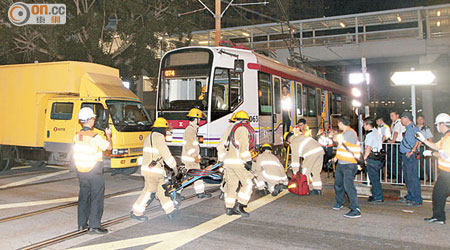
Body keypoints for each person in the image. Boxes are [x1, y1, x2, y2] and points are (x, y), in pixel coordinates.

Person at [73, 107, 112, 234]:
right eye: (93, 118)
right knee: (96, 197)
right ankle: (94, 226)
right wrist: (108, 135)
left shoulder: (77, 136)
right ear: (90, 120)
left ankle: (82, 224)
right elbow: (109, 147)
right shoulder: (94, 136)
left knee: (84, 197)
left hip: (81, 171)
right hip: (94, 171)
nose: (94, 120)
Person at [130, 117, 178, 221]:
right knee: (148, 192)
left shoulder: (149, 137)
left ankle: (170, 210)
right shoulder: (158, 137)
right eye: (165, 129)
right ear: (162, 129)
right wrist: (174, 166)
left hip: (152, 170)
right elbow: (165, 153)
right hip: (154, 171)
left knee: (162, 191)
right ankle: (136, 212)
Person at [417, 113, 450, 224]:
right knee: (439, 194)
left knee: (438, 194)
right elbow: (437, 146)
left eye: (437, 124)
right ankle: (438, 217)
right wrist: (424, 141)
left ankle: (439, 217)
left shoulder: (448, 138)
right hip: (446, 173)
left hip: (447, 173)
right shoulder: (446, 137)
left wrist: (431, 153)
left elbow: (445, 155)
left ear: (442, 124)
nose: (437, 127)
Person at [221, 110, 254, 217]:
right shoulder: (242, 129)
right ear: (245, 121)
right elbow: (243, 147)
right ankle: (240, 205)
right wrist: (247, 160)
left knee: (231, 186)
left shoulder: (229, 129)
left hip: (228, 163)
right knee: (248, 184)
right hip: (238, 162)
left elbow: (221, 145)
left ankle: (229, 208)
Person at [333, 115, 361, 218]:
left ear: (341, 123)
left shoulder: (351, 133)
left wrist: (335, 134)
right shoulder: (345, 133)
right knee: (338, 184)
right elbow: (341, 147)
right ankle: (340, 202)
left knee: (348, 186)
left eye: (338, 123)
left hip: (349, 164)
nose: (337, 125)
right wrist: (336, 158)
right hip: (341, 163)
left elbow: (336, 139)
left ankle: (355, 208)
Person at [182, 108, 211, 199]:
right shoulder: (190, 130)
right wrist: (194, 156)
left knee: (197, 176)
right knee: (188, 177)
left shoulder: (192, 129)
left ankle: (200, 192)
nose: (200, 120)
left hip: (192, 159)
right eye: (199, 119)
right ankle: (177, 192)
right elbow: (189, 145)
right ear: (196, 119)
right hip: (190, 160)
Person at [398, 112, 422, 206]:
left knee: (412, 177)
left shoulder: (413, 128)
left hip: (410, 156)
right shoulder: (408, 129)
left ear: (406, 118)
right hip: (406, 155)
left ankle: (416, 199)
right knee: (408, 177)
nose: (401, 120)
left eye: (402, 118)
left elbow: (419, 140)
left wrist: (412, 151)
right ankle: (411, 196)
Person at [363, 118, 384, 204]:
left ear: (368, 125)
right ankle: (375, 194)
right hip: (378, 157)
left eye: (364, 124)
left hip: (372, 157)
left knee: (374, 178)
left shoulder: (370, 135)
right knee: (375, 177)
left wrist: (364, 158)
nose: (363, 126)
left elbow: (368, 147)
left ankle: (378, 197)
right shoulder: (376, 132)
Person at [388, 111, 405, 181]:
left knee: (397, 161)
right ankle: (398, 176)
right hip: (397, 143)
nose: (391, 117)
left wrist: (393, 141)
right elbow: (391, 130)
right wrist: (392, 123)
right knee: (396, 161)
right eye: (390, 116)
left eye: (392, 115)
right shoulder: (396, 123)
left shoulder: (398, 123)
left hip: (397, 143)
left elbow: (396, 132)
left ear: (397, 115)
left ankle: (400, 178)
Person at [417, 114, 434, 182]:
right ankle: (421, 176)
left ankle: (430, 177)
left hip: (424, 146)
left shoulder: (425, 128)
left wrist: (429, 147)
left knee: (427, 163)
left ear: (423, 120)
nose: (419, 120)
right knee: (419, 162)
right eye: (418, 119)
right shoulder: (415, 127)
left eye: (421, 119)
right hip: (417, 147)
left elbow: (430, 138)